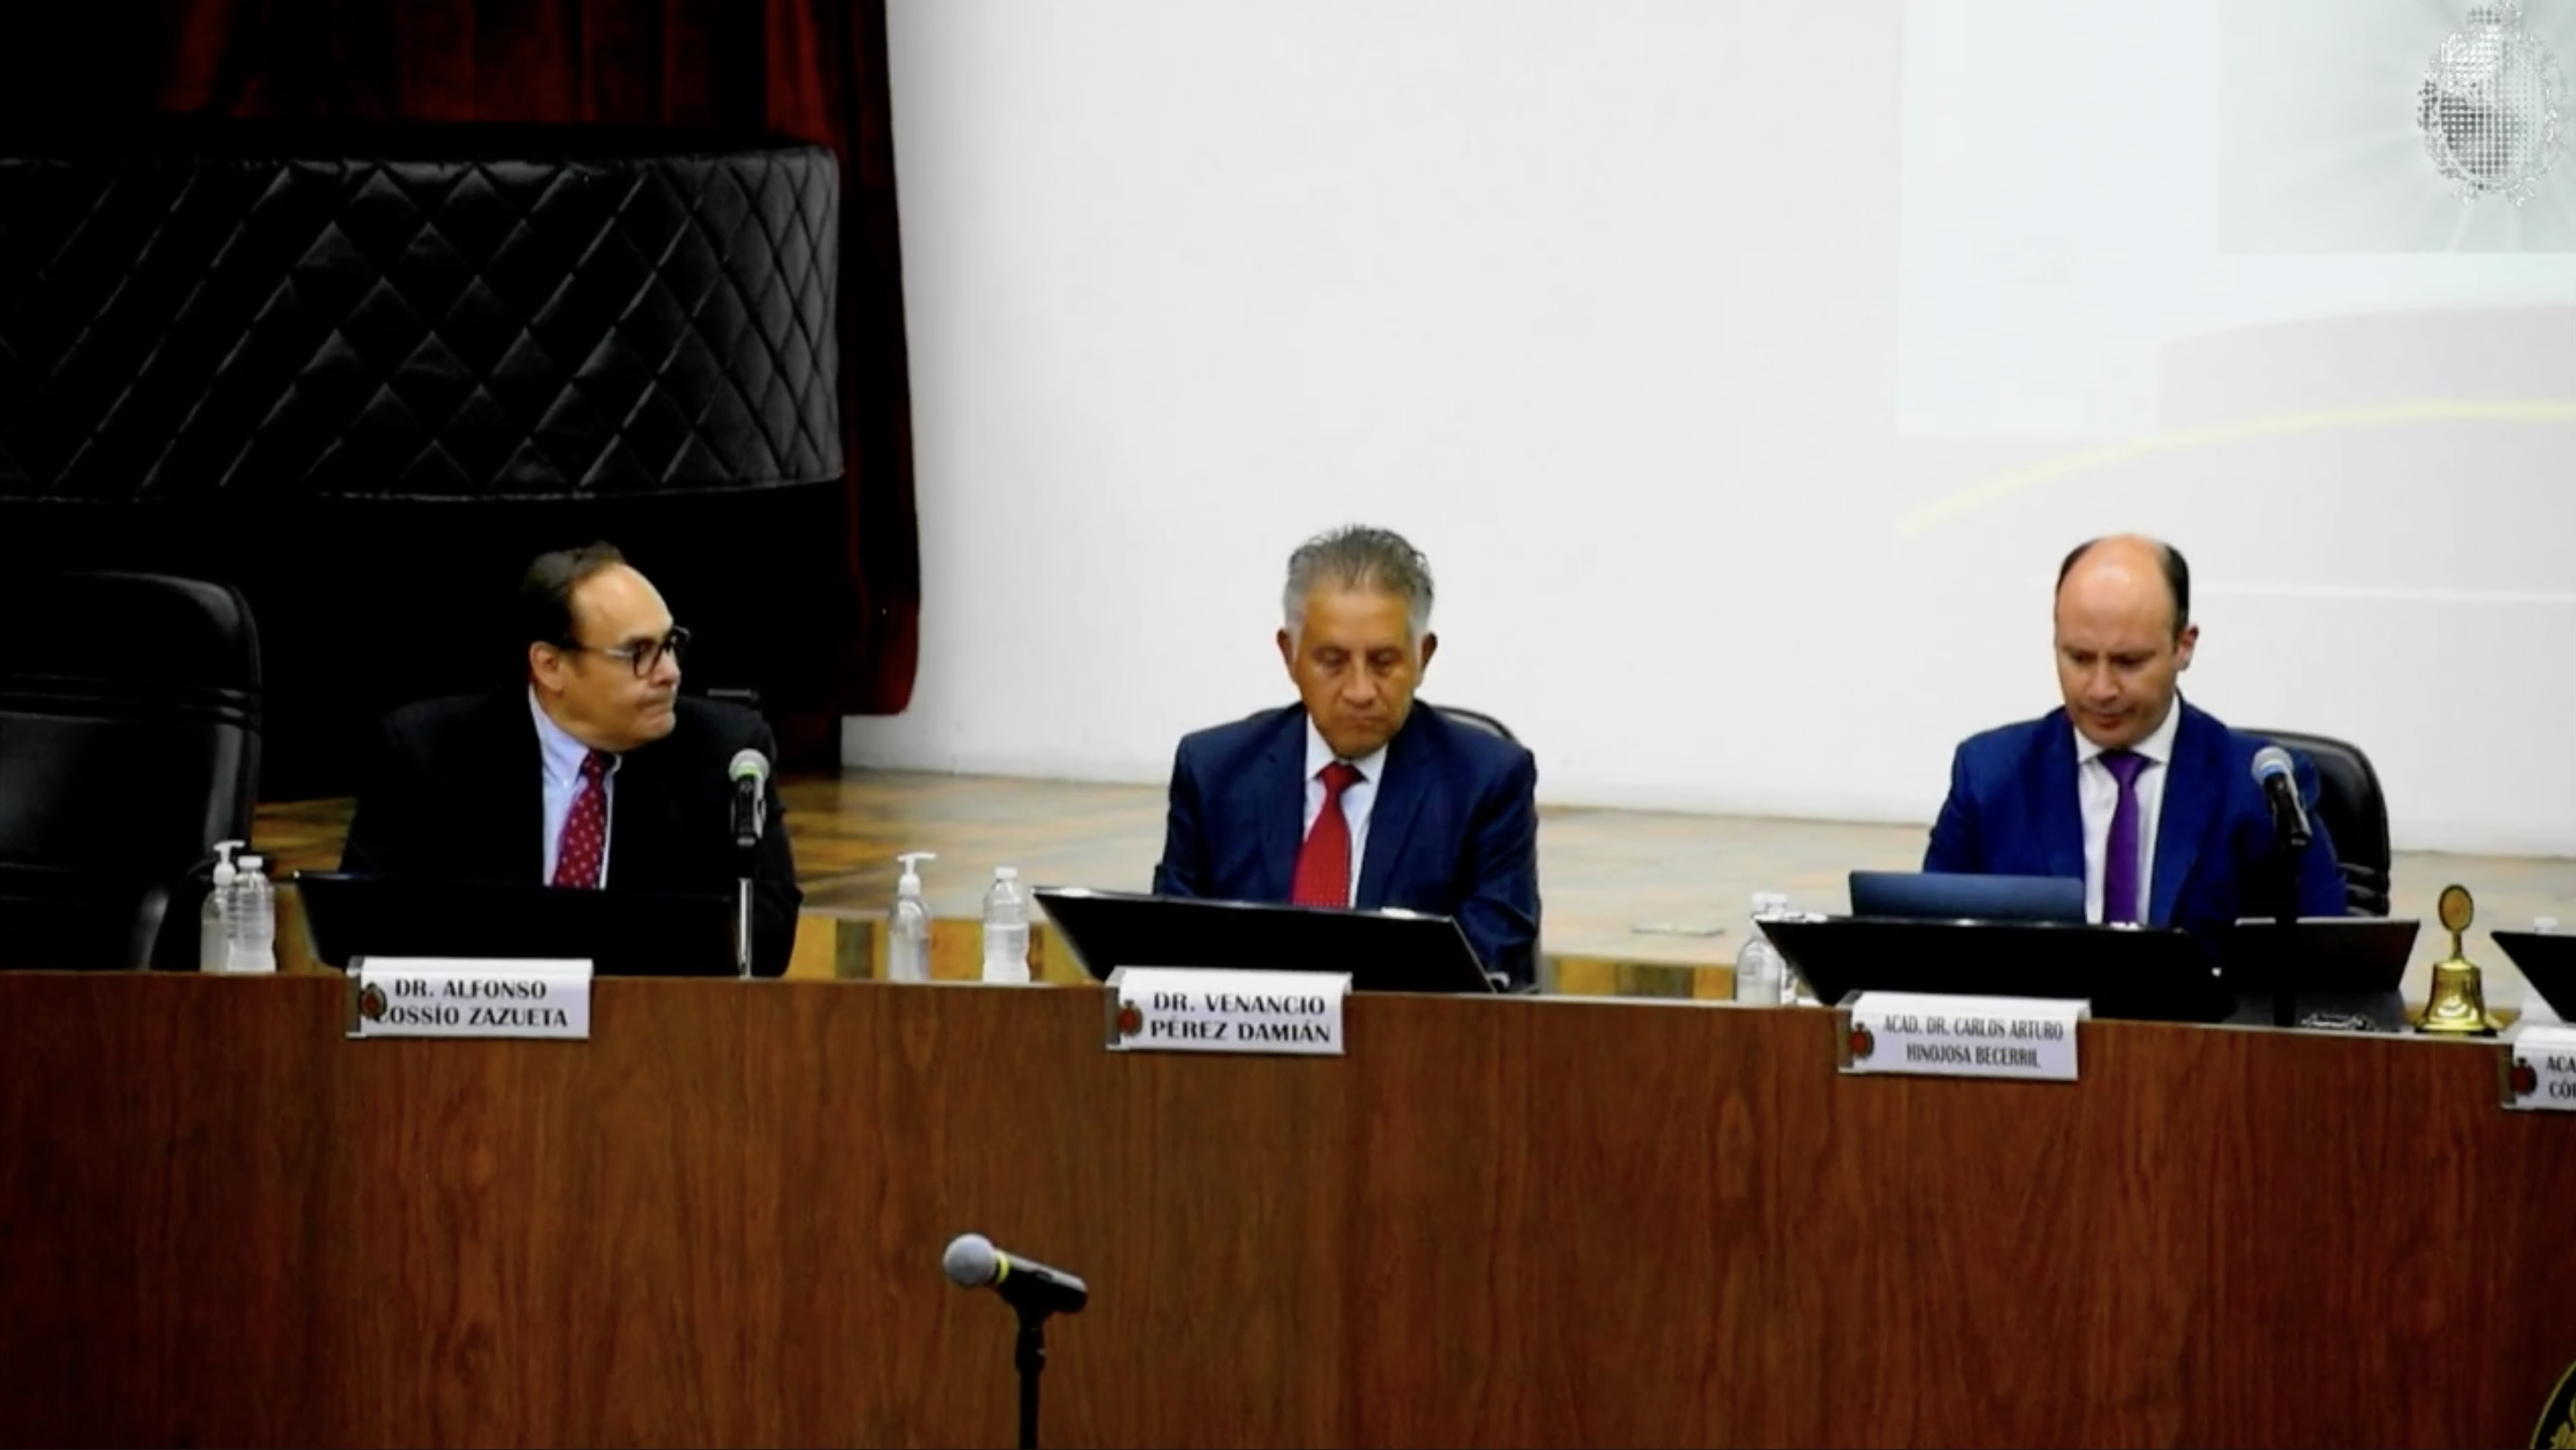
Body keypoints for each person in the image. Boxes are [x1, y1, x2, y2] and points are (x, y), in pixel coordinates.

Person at [340, 542, 801, 975]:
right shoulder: (428, 751)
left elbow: (768, 934)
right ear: (550, 666)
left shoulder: (726, 752)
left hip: (646, 1020)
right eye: (638, 653)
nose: (670, 673)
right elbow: (358, 924)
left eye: (670, 644)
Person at [1150, 524, 1541, 989]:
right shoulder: (1214, 773)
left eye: (1383, 662)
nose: (1359, 691)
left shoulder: (1486, 781)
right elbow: (1168, 949)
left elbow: (1489, 959)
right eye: (1332, 662)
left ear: (1423, 656)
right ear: (1290, 655)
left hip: (1409, 1032)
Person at [1923, 534, 2344, 947]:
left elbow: (2331, 958)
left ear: (2183, 646)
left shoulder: (2259, 789)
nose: (2101, 689)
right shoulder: (1988, 778)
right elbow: (1926, 949)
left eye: (2128, 662)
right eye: (2079, 658)